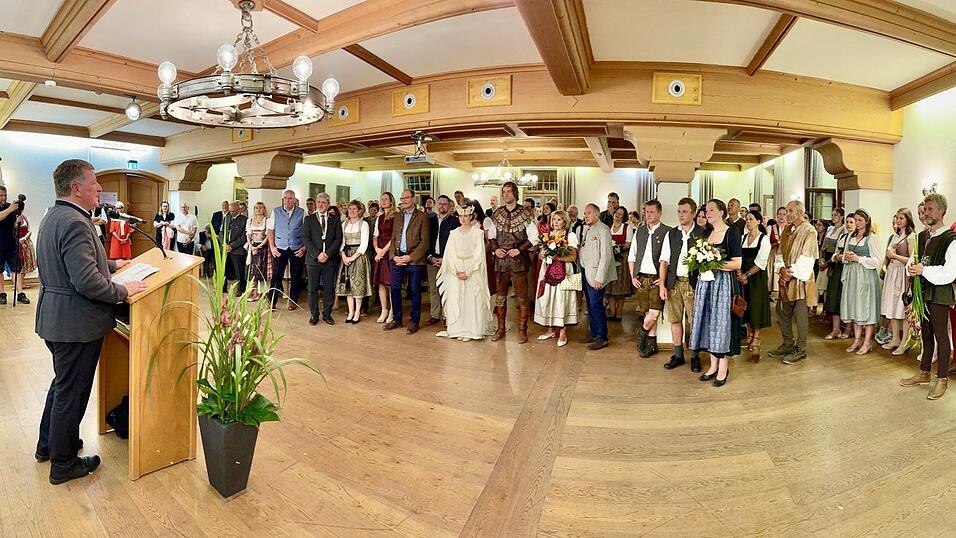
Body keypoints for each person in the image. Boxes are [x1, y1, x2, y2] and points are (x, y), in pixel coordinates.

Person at [34, 159, 148, 485]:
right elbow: (85, 281)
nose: (99, 188)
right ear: (76, 188)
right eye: (94, 182)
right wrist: (123, 289)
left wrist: (112, 264)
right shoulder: (76, 222)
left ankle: (50, 445)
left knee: (62, 386)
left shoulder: (55, 216)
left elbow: (75, 262)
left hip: (57, 317)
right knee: (72, 393)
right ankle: (64, 463)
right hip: (75, 323)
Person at [900, 193, 956, 399]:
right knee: (926, 334)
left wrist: (924, 270)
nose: (926, 213)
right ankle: (924, 372)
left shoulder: (951, 239)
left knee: (941, 336)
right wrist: (911, 268)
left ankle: (942, 379)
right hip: (923, 291)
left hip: (940, 292)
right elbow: (914, 260)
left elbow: (951, 272)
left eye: (930, 209)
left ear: (942, 210)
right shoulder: (922, 236)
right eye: (925, 209)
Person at [689, 199, 743, 387]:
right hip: (706, 283)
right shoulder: (706, 233)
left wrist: (714, 263)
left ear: (722, 212)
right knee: (708, 322)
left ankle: (723, 368)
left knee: (722, 325)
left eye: (712, 209)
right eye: (706, 210)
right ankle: (713, 366)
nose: (708, 213)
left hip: (723, 284)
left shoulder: (732, 232)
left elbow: (737, 263)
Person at [659, 197, 708, 371]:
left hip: (693, 283)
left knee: (695, 321)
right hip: (674, 283)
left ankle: (695, 356)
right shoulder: (671, 234)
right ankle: (678, 354)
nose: (681, 215)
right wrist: (662, 285)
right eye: (679, 211)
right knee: (675, 319)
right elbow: (664, 261)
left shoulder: (703, 233)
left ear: (693, 213)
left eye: (685, 211)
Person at [767, 200, 819, 364]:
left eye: (790, 211)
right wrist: (781, 269)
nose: (787, 214)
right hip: (786, 279)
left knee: (801, 315)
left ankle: (801, 349)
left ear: (800, 212)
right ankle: (788, 343)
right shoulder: (787, 230)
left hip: (801, 280)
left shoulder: (809, 231)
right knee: (782, 311)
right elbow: (780, 254)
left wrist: (789, 273)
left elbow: (808, 258)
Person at [435, 201, 493, 341]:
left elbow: (479, 255)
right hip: (456, 270)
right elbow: (449, 254)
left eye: (466, 216)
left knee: (471, 299)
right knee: (457, 298)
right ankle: (458, 330)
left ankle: (471, 331)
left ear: (471, 217)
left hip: (472, 270)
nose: (463, 219)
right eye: (460, 216)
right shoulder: (454, 233)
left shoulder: (478, 233)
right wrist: (455, 270)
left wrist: (468, 271)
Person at [489, 181, 537, 343]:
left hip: (519, 260)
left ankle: (523, 330)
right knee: (500, 296)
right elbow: (491, 235)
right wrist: (495, 249)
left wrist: (520, 249)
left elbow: (534, 237)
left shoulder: (526, 213)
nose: (506, 194)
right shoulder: (497, 213)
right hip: (501, 261)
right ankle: (500, 328)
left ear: (515, 193)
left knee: (522, 297)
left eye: (509, 191)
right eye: (504, 192)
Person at [628, 200, 671, 358]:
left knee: (654, 314)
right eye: (646, 212)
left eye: (652, 212)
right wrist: (633, 276)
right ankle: (652, 344)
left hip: (656, 279)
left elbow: (667, 259)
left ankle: (641, 333)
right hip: (641, 278)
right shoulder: (639, 231)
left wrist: (663, 280)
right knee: (647, 312)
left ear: (659, 213)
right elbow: (632, 256)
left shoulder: (667, 231)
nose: (648, 215)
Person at [385, 189, 430, 334]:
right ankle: (397, 319)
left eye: (406, 198)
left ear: (413, 198)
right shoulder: (398, 216)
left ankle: (414, 321)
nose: (403, 200)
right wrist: (393, 256)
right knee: (395, 289)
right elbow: (393, 238)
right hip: (398, 258)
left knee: (415, 291)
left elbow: (425, 242)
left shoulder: (422, 217)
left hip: (414, 260)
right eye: (401, 198)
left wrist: (410, 257)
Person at [839, 209, 883, 355]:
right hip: (852, 275)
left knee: (866, 307)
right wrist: (846, 257)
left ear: (866, 221)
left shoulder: (872, 238)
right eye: (856, 220)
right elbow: (844, 255)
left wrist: (859, 259)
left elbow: (878, 260)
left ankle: (867, 341)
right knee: (855, 306)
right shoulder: (851, 235)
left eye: (860, 220)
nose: (857, 223)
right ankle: (857, 339)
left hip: (865, 276)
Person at [533, 209, 579, 346]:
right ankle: (550, 329)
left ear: (565, 222)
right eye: (554, 219)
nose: (556, 222)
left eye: (559, 219)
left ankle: (563, 333)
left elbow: (573, 257)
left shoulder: (570, 236)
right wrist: (543, 254)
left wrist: (557, 257)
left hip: (564, 271)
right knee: (548, 297)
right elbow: (540, 255)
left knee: (561, 299)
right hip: (547, 270)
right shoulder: (548, 235)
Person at [579, 204, 616, 350]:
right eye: (585, 213)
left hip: (596, 275)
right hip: (586, 272)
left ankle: (602, 337)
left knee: (596, 305)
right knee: (590, 304)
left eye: (588, 213)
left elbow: (606, 256)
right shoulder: (588, 229)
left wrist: (599, 278)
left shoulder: (603, 229)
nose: (586, 216)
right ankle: (593, 333)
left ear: (597, 214)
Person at [302, 193, 341, 325]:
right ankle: (314, 315)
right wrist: (318, 254)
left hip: (329, 260)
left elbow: (338, 239)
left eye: (323, 202)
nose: (320, 204)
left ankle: (327, 315)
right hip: (313, 260)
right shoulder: (309, 219)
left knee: (328, 289)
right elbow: (306, 238)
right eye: (318, 202)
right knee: (312, 289)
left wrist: (327, 254)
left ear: (328, 204)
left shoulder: (335, 219)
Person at [738, 209, 771, 358]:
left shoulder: (764, 239)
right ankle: (750, 333)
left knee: (756, 305)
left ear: (758, 221)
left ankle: (756, 337)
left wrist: (746, 275)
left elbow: (761, 262)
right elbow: (737, 257)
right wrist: (739, 274)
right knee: (746, 305)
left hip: (756, 277)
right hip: (742, 277)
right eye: (746, 219)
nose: (748, 221)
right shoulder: (743, 237)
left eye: (751, 219)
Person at [882, 208, 916, 351]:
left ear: (908, 219)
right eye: (897, 217)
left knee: (903, 308)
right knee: (892, 306)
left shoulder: (911, 236)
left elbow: (912, 260)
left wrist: (894, 256)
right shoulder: (895, 236)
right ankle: (895, 338)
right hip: (892, 272)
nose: (898, 220)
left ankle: (905, 341)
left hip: (902, 274)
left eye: (901, 218)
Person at [268, 190, 307, 311]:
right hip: (280, 247)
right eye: (285, 198)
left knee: (296, 276)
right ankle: (271, 301)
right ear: (283, 199)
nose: (288, 201)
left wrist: (304, 247)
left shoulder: (302, 212)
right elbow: (270, 230)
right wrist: (272, 247)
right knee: (276, 276)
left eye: (290, 198)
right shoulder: (276, 211)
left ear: (295, 200)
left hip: (297, 248)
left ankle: (293, 300)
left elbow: (307, 231)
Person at [425, 195, 460, 326]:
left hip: (448, 260)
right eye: (439, 203)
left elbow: (456, 244)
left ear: (449, 206)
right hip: (432, 259)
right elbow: (425, 240)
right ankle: (435, 315)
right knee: (433, 288)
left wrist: (445, 258)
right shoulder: (430, 220)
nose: (441, 206)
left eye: (444, 204)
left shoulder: (455, 221)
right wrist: (430, 257)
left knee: (447, 288)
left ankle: (447, 315)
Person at [336, 200, 371, 324]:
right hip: (346, 255)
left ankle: (357, 312)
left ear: (359, 211)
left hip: (358, 257)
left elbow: (364, 244)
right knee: (348, 285)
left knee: (358, 286)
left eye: (354, 209)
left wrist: (352, 258)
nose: (352, 211)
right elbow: (341, 242)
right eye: (350, 209)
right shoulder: (344, 224)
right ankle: (350, 311)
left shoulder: (364, 224)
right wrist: (343, 255)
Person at [824, 214, 855, 339]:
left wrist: (843, 257)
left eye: (851, 222)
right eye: (847, 222)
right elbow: (836, 252)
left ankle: (848, 328)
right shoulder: (842, 236)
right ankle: (836, 329)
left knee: (847, 299)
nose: (848, 224)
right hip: (837, 270)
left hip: (849, 270)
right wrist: (835, 257)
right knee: (834, 299)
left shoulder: (856, 239)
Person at [0, 186, 28, 305]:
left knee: (16, 268)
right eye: (1, 195)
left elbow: (15, 224)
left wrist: (18, 221)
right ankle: (2, 294)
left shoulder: (9, 207)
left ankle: (20, 293)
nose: (3, 198)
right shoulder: (9, 208)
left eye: (5, 195)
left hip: (11, 242)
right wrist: (10, 209)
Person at [607, 206, 633, 321]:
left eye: (620, 214)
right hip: (610, 260)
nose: (617, 215)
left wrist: (617, 248)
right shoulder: (608, 227)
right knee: (610, 288)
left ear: (624, 216)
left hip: (622, 259)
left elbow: (628, 244)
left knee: (620, 288)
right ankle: (612, 312)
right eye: (616, 213)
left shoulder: (627, 227)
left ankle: (619, 313)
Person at [373, 192, 396, 323]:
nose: (383, 201)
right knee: (381, 282)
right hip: (380, 251)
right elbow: (375, 236)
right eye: (382, 199)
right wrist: (377, 249)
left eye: (386, 199)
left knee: (391, 283)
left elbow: (394, 237)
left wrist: (383, 251)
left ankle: (392, 310)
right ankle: (384, 310)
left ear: (391, 201)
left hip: (390, 251)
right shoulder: (379, 217)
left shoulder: (396, 216)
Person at [244, 202, 272, 301]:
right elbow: (248, 235)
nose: (258, 210)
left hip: (262, 247)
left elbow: (268, 236)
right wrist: (251, 246)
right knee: (252, 270)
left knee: (261, 269)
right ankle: (253, 292)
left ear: (264, 209)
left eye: (260, 208)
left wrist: (259, 246)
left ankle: (261, 292)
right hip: (253, 246)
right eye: (256, 208)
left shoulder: (267, 221)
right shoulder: (250, 221)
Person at [222, 201, 248, 296]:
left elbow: (243, 237)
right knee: (223, 270)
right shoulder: (227, 218)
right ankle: (223, 288)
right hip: (225, 248)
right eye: (230, 211)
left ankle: (240, 289)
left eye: (233, 211)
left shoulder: (244, 220)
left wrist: (232, 246)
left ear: (238, 210)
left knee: (239, 271)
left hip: (237, 249)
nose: (231, 213)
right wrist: (224, 244)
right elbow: (222, 232)